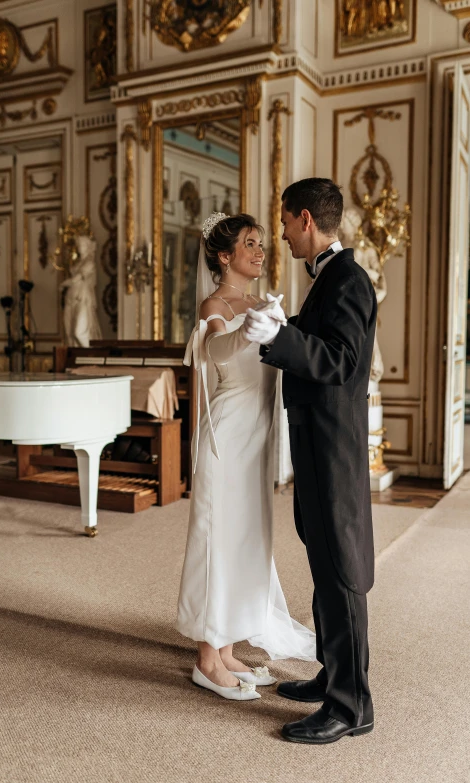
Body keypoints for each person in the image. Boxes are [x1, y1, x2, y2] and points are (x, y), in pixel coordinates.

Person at [244, 178, 377, 743]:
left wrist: (282, 336)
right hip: (316, 443)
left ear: (303, 218)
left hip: (333, 446)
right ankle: (333, 676)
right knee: (323, 562)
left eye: (283, 222)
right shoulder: (330, 276)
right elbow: (321, 340)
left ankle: (351, 707)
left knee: (342, 570)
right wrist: (285, 330)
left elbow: (344, 361)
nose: (280, 233)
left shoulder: (348, 278)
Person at [177, 212, 316, 702]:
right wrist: (246, 333)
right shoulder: (214, 304)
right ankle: (206, 660)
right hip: (227, 435)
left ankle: (228, 645)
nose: (261, 251)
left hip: (260, 438)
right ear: (223, 255)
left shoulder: (263, 301)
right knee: (217, 539)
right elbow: (216, 350)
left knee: (246, 540)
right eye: (250, 244)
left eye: (261, 243)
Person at [61, 235, 103, 347]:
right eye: (79, 244)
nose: (80, 247)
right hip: (70, 298)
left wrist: (63, 284)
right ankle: (75, 359)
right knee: (69, 333)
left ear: (88, 246)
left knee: (79, 332)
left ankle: (89, 356)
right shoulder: (77, 263)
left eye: (82, 244)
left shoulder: (90, 263)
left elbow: (75, 279)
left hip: (82, 299)